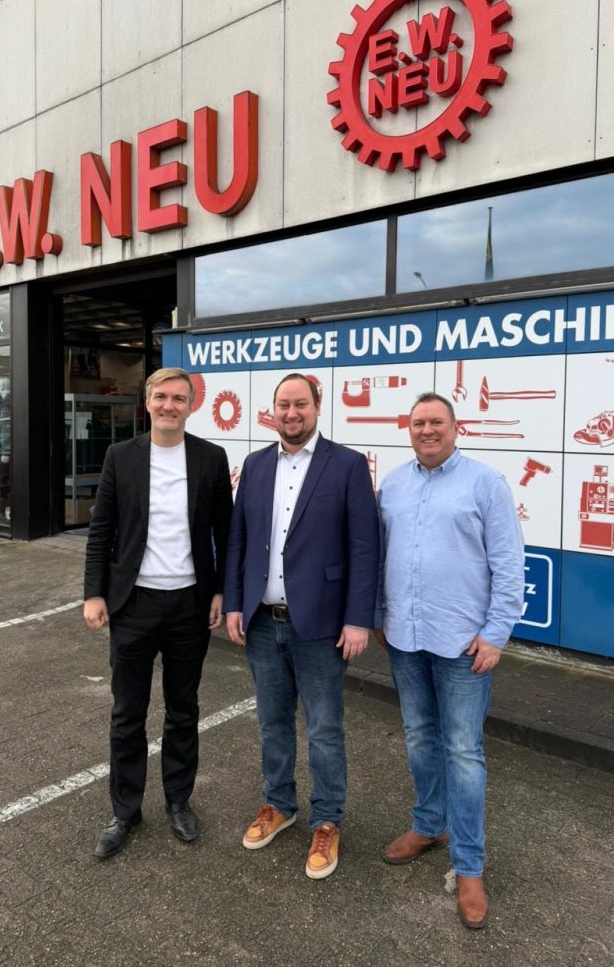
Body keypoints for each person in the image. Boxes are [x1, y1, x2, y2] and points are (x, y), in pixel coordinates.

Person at [376, 392, 524, 928]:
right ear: (408, 429)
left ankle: (469, 866)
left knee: (463, 752)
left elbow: (509, 564)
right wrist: (379, 616)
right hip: (405, 636)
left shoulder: (486, 484)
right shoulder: (393, 484)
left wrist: (496, 635)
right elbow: (380, 555)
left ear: (456, 428)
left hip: (463, 644)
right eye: (418, 423)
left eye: (437, 421)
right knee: (419, 736)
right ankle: (429, 824)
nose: (427, 430)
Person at [224, 372, 379, 880]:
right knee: (272, 722)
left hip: (322, 626)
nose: (291, 414)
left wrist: (358, 619)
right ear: (273, 411)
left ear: (317, 407)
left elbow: (364, 549)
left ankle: (327, 819)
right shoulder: (255, 464)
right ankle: (280, 804)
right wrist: (234, 603)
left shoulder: (348, 465)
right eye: (283, 405)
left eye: (300, 405)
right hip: (262, 623)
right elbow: (239, 539)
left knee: (325, 729)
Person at [83, 367, 232, 859]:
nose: (170, 405)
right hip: (134, 604)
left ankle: (178, 802)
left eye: (179, 398)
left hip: (190, 603)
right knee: (127, 713)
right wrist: (94, 593)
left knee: (183, 709)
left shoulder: (211, 458)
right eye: (161, 397)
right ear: (147, 402)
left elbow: (226, 532)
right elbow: (101, 529)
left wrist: (222, 591)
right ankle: (125, 811)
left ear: (191, 406)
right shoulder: (120, 456)